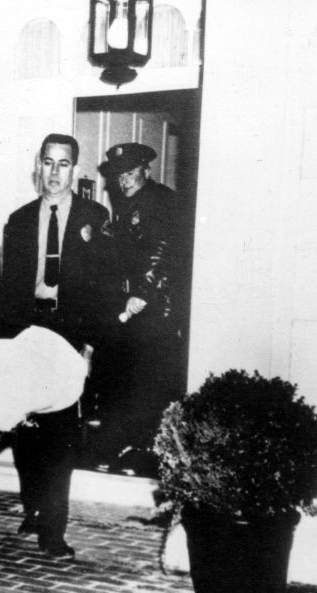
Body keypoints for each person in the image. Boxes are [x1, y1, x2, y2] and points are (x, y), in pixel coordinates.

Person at [0, 133, 123, 559]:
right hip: (26, 328)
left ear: (75, 169)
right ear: (38, 166)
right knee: (26, 425)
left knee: (61, 431)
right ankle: (34, 507)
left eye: (63, 164)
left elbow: (105, 290)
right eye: (47, 163)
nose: (54, 172)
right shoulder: (18, 220)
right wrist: (4, 347)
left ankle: (53, 530)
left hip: (70, 331)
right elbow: (6, 290)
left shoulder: (95, 217)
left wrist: (90, 346)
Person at [97, 142, 183, 472]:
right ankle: (121, 448)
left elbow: (162, 248)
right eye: (119, 175)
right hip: (135, 308)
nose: (124, 180)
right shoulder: (127, 204)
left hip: (155, 308)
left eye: (131, 173)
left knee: (149, 381)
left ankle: (145, 454)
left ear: (146, 171)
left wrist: (143, 291)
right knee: (128, 379)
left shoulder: (160, 200)